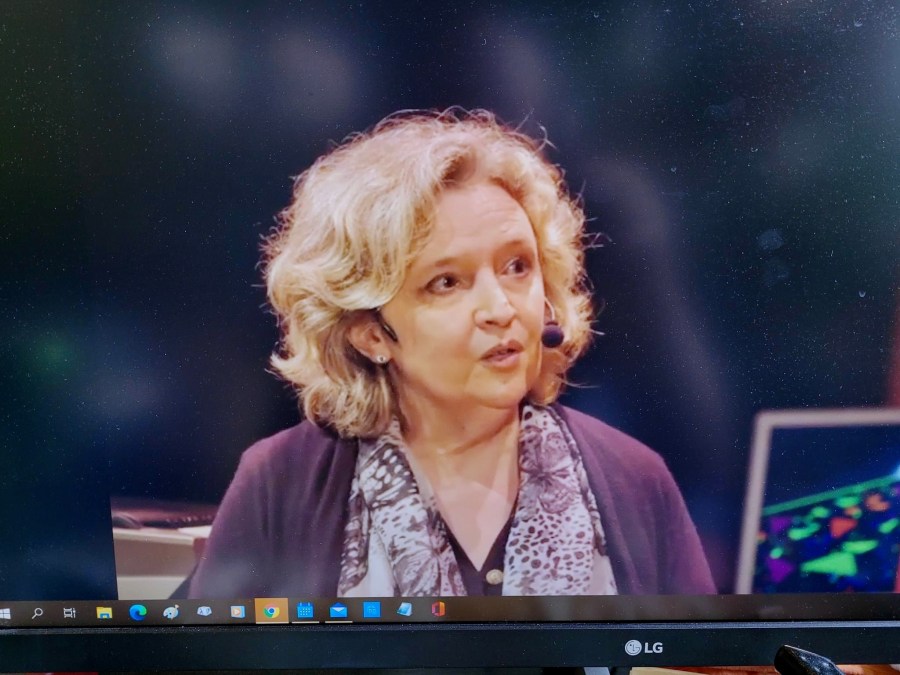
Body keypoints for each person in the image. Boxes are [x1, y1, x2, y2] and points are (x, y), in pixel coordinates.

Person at [186, 109, 715, 598]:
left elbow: (704, 659)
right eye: (446, 282)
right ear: (370, 333)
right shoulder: (279, 484)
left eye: (517, 267)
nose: (500, 308)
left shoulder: (635, 480)